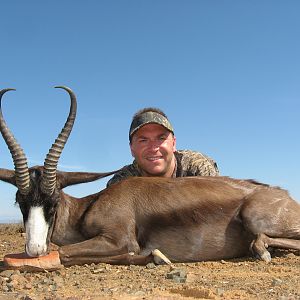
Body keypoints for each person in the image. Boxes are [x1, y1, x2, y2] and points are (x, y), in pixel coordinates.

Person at [107, 107, 219, 187]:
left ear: (173, 144)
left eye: (161, 138)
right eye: (143, 140)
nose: (153, 148)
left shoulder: (198, 168)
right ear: (132, 149)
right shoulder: (121, 183)